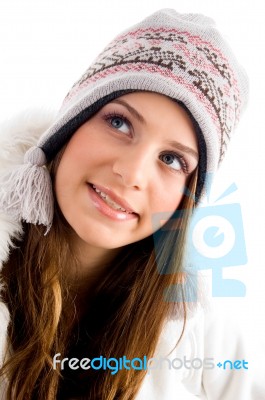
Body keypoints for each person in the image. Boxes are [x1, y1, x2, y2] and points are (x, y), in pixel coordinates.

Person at [0, 8, 261, 400]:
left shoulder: (198, 329)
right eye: (119, 123)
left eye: (172, 159)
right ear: (69, 126)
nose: (132, 173)